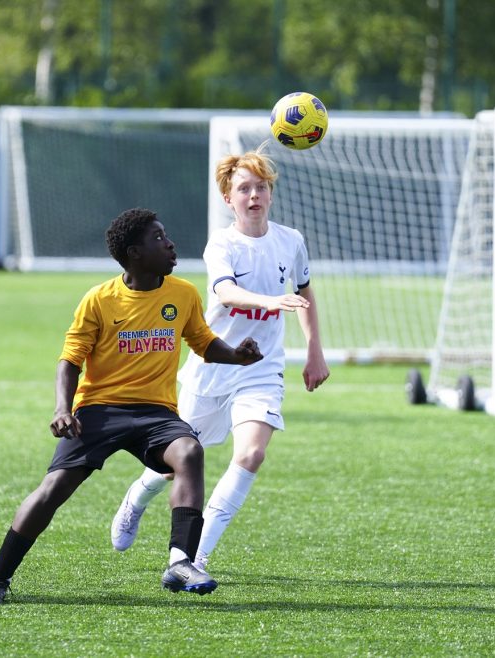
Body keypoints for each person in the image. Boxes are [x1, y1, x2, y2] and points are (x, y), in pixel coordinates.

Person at [0, 208, 263, 606]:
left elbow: (203, 341)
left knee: (190, 451)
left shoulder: (182, 293)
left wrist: (237, 356)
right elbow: (70, 359)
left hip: (156, 412)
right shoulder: (99, 299)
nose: (170, 243)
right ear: (135, 253)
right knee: (53, 489)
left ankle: (180, 561)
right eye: (159, 238)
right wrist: (63, 409)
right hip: (100, 410)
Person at [109, 148, 330, 586]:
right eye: (243, 188)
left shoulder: (291, 240)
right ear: (228, 198)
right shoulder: (222, 243)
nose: (254, 195)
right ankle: (137, 497)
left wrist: (315, 350)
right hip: (213, 364)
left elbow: (304, 291)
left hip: (260, 369)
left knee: (251, 453)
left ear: (270, 193)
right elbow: (226, 293)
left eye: (261, 187)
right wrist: (271, 301)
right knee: (172, 465)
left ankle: (198, 555)